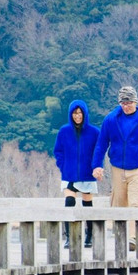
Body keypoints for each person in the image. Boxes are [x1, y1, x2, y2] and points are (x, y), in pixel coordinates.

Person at [93, 86, 138, 247]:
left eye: (129, 103)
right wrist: (97, 165)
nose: (126, 106)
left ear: (135, 102)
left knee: (137, 201)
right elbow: (101, 144)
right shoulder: (111, 119)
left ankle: (133, 237)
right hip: (118, 167)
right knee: (119, 202)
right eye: (123, 103)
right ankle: (122, 237)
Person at [53, 99, 100, 248]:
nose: (77, 116)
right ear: (70, 114)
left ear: (85, 114)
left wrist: (96, 167)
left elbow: (98, 152)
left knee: (87, 204)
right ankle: (70, 237)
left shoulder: (94, 132)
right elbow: (58, 151)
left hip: (87, 173)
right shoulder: (64, 131)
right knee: (69, 203)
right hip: (69, 173)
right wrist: (63, 166)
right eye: (74, 113)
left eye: (80, 113)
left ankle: (89, 236)